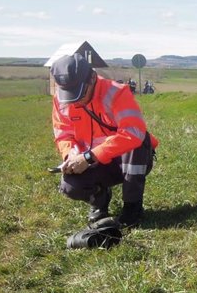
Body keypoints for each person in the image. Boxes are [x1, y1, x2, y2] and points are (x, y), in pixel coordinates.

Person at [51, 53, 158, 228]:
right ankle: (99, 200)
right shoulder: (61, 99)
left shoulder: (116, 92)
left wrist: (88, 157)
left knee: (137, 144)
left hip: (126, 160)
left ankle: (133, 207)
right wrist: (70, 156)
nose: (75, 100)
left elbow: (134, 132)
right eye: (69, 94)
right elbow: (63, 133)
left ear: (93, 78)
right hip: (94, 161)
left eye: (80, 91)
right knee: (70, 185)